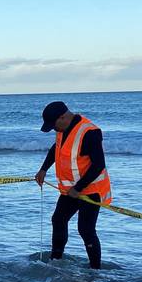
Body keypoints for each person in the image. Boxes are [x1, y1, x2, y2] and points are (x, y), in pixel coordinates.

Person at [34, 101, 112, 269]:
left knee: (85, 230)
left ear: (63, 117)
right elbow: (56, 148)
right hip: (70, 190)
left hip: (90, 189)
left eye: (54, 125)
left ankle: (95, 270)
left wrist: (78, 188)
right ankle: (56, 261)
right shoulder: (63, 129)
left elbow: (99, 165)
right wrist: (43, 169)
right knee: (58, 220)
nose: (54, 130)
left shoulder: (90, 132)